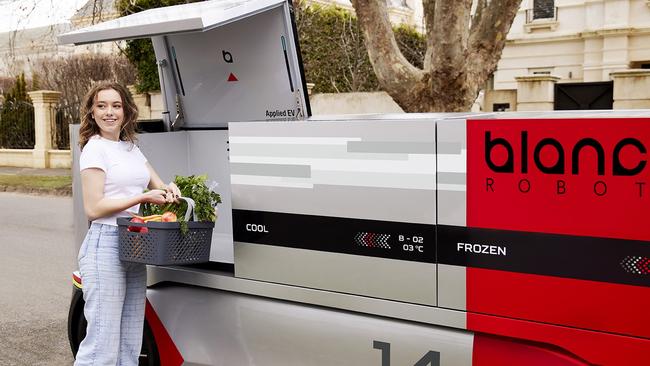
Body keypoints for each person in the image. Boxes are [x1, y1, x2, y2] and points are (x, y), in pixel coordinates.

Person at [74, 82, 181, 366]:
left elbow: (158, 183)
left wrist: (171, 189)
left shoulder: (130, 148)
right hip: (105, 244)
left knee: (129, 341)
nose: (110, 112)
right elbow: (94, 207)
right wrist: (142, 196)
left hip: (134, 244)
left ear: (126, 112)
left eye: (116, 106)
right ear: (92, 113)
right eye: (102, 106)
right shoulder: (95, 149)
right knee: (102, 343)